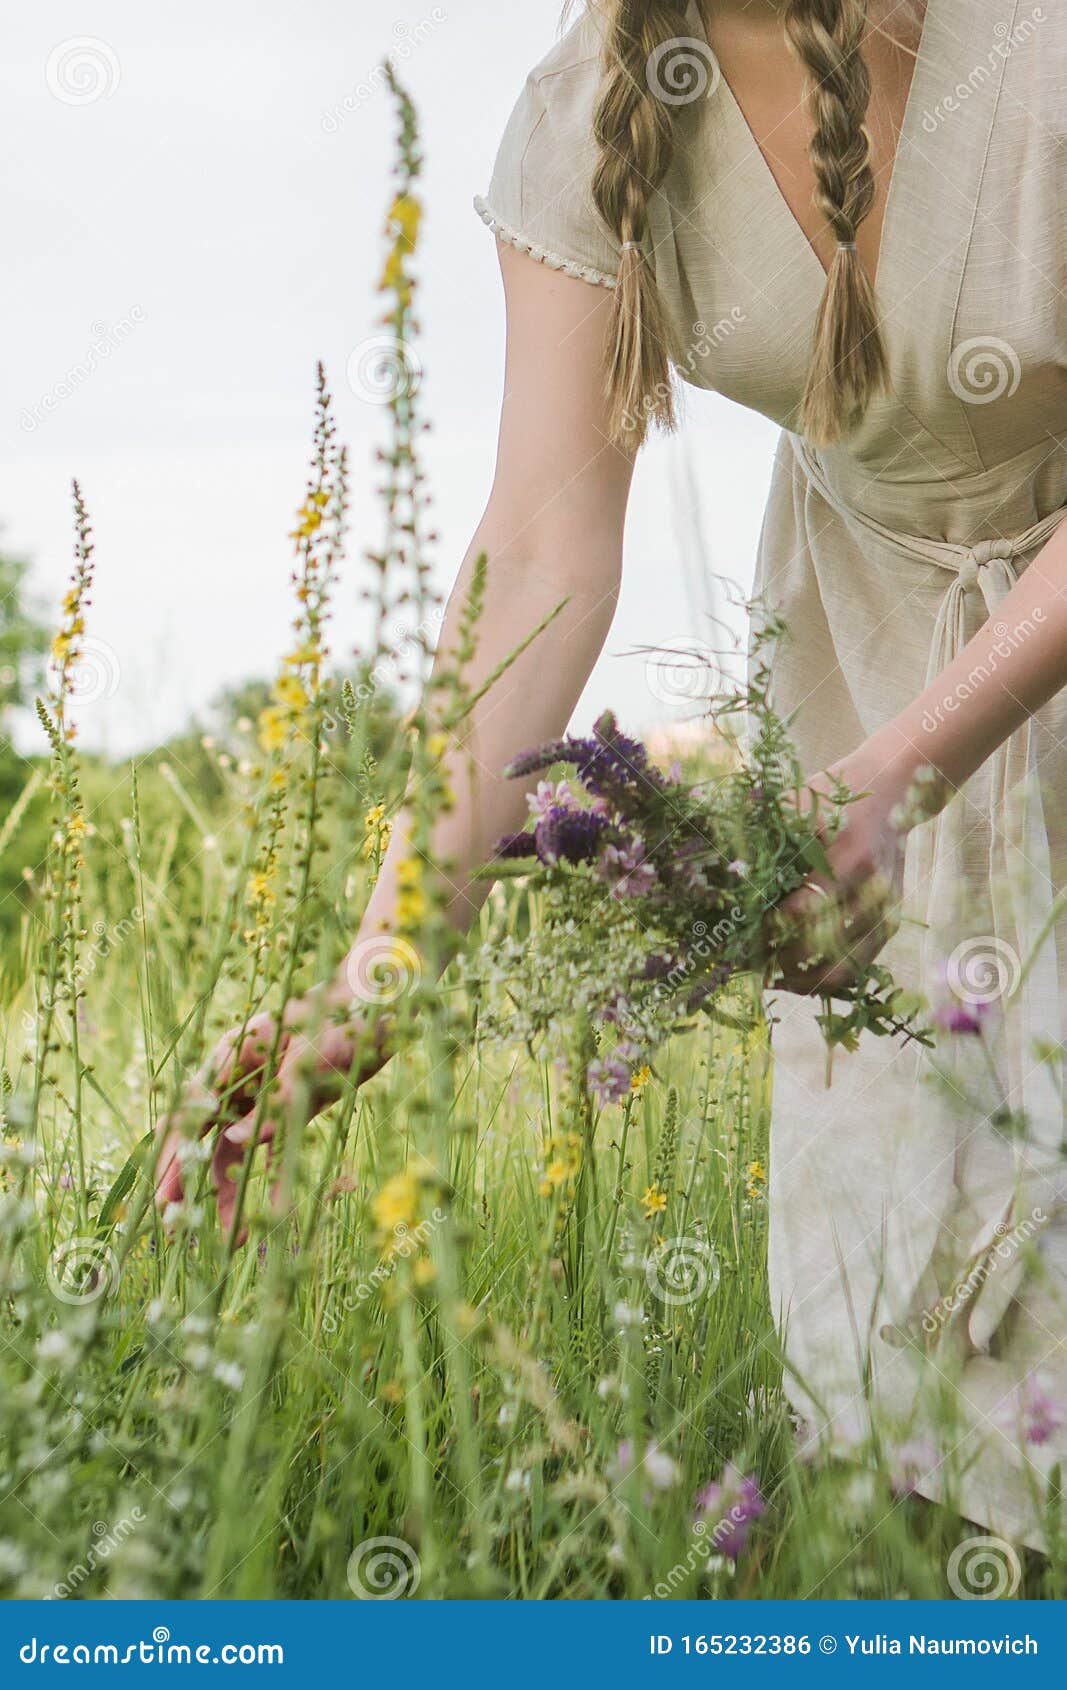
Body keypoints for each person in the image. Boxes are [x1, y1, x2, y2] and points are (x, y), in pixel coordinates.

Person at [159, 0, 1067, 1547]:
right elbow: (536, 552)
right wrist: (385, 967)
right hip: (868, 649)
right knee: (911, 1353)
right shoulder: (596, 106)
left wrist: (904, 769)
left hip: (960, 690)